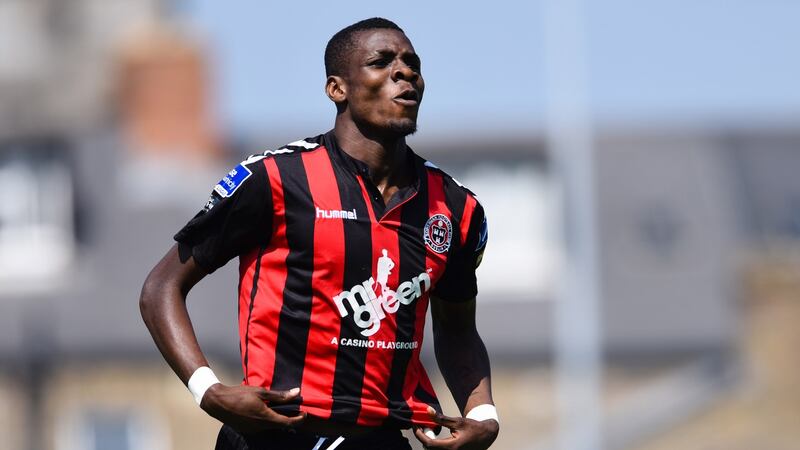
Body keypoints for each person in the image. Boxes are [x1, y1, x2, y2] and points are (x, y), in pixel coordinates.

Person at [140, 17, 499, 450]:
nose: (404, 72)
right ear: (337, 89)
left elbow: (457, 328)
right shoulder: (274, 180)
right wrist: (209, 391)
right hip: (276, 435)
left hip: (380, 440)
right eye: (381, 62)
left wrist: (482, 413)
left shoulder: (456, 208)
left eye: (411, 63)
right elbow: (161, 288)